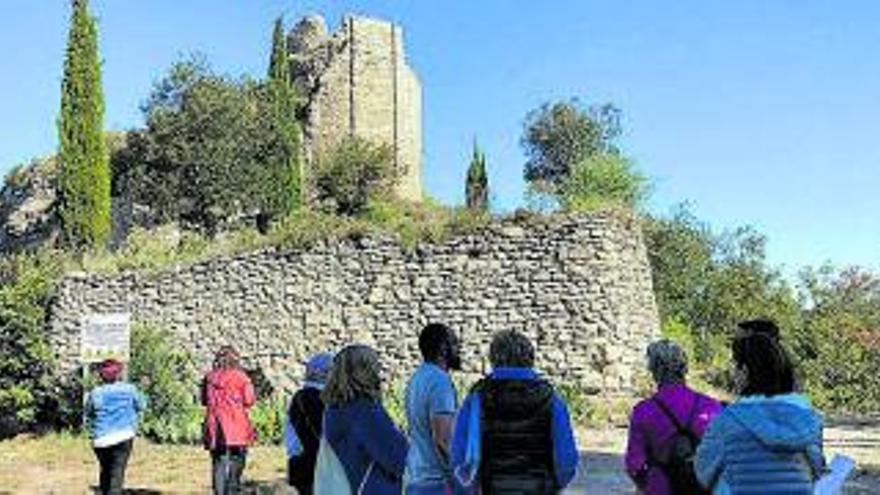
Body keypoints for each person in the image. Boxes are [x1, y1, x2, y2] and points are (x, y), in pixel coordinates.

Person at [695, 331, 825, 494]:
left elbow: (704, 473)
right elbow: (817, 469)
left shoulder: (725, 421)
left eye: (735, 365)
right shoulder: (805, 418)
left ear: (744, 371)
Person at [451, 330, 578, 494]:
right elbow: (566, 459)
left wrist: (471, 487)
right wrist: (554, 485)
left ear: (493, 358)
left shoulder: (477, 397)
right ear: (530, 358)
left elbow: (459, 457)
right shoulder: (551, 398)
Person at [624, 340, 722, 495]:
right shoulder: (710, 406)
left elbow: (633, 465)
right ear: (684, 368)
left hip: (660, 487)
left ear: (653, 370)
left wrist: (644, 486)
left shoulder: (643, 411)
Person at [316, 344, 408, 495]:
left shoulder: (334, 409)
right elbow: (400, 460)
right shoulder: (364, 411)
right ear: (364, 372)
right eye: (376, 367)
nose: (379, 373)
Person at [404, 323, 461, 495]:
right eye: (455, 343)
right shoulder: (439, 381)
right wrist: (463, 476)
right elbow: (443, 439)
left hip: (416, 478)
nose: (458, 349)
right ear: (444, 349)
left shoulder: (417, 378)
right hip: (435, 483)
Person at [201, 345, 257, 495]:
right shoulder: (241, 377)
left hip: (215, 425)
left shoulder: (209, 377)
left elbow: (204, 400)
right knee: (237, 461)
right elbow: (249, 400)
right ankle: (232, 491)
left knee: (218, 462)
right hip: (237, 425)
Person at [86, 358, 146, 495]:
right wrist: (142, 390)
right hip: (124, 436)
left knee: (105, 470)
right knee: (117, 473)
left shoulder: (96, 392)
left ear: (101, 375)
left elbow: (89, 412)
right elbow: (141, 405)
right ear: (119, 374)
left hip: (101, 439)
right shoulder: (130, 389)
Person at [287, 352, 334, 495]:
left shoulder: (302, 396)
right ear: (325, 373)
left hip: (303, 465)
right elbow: (320, 435)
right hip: (314, 467)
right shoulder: (314, 398)